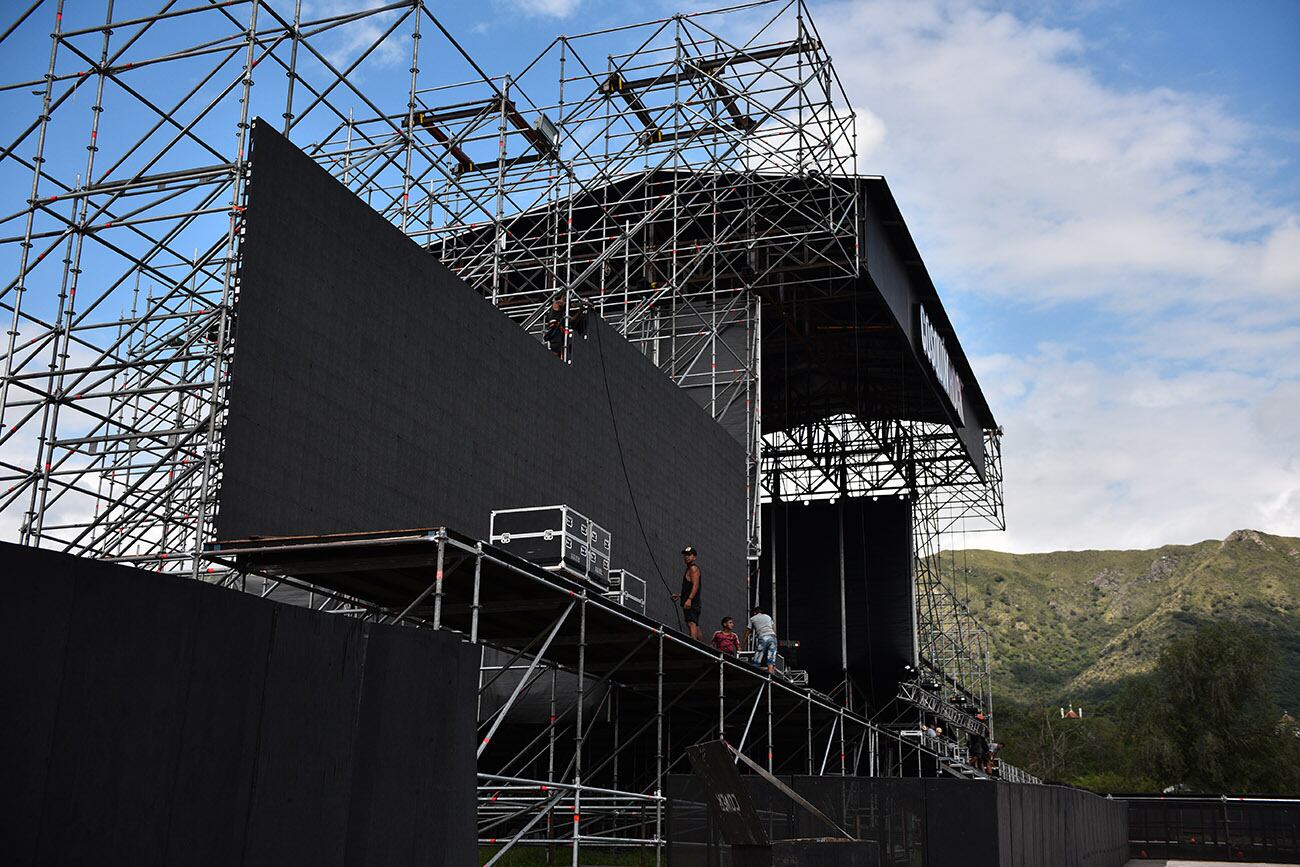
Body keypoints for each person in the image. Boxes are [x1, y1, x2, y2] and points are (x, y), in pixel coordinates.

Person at [671, 545, 702, 641]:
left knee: (691, 623)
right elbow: (689, 587)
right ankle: (700, 644)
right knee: (694, 624)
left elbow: (695, 585)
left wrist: (689, 599)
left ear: (694, 557)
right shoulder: (689, 569)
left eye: (689, 555)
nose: (687, 557)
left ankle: (694, 645)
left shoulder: (693, 569)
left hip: (692, 602)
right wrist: (680, 595)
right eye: (685, 555)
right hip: (690, 601)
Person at [744, 605, 778, 675]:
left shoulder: (753, 618)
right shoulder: (768, 617)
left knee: (757, 659)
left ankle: (755, 675)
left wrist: (743, 643)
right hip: (773, 637)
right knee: (771, 658)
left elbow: (748, 631)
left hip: (763, 637)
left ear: (754, 612)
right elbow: (774, 629)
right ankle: (770, 676)